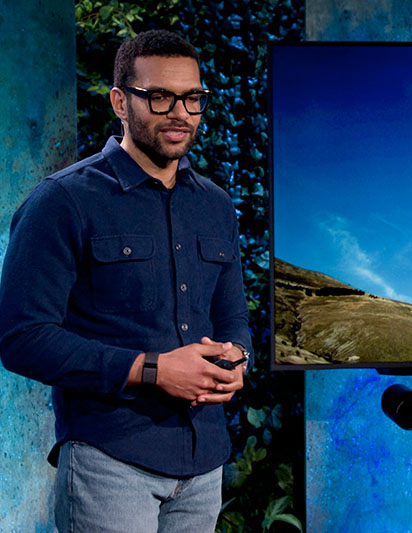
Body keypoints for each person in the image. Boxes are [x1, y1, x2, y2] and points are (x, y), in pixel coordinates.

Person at [0, 29, 253, 532]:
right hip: (109, 463)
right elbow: (21, 338)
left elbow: (232, 316)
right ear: (120, 101)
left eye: (193, 98)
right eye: (159, 96)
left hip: (204, 464)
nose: (179, 112)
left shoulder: (216, 205)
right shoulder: (62, 202)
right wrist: (153, 369)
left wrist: (238, 358)